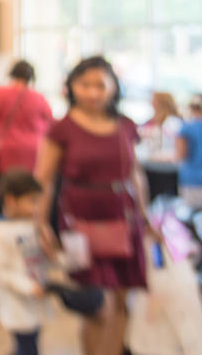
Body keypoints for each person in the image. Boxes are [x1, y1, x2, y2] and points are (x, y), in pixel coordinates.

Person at [35, 56, 156, 355]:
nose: (92, 92)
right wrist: (39, 224)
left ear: (114, 87)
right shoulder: (62, 128)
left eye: (100, 85)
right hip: (80, 224)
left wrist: (146, 214)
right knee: (96, 307)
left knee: (122, 301)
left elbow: (135, 173)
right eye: (84, 84)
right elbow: (44, 181)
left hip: (125, 219)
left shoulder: (125, 126)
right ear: (72, 87)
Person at [0, 169, 51, 355]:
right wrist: (28, 286)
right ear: (11, 200)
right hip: (17, 305)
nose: (37, 207)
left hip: (33, 302)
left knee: (28, 343)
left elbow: (35, 257)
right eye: (32, 201)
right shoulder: (0, 233)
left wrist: (49, 248)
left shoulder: (30, 225)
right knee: (28, 347)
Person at [0, 60, 53, 176]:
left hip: (5, 153)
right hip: (33, 154)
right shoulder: (39, 97)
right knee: (28, 191)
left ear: (11, 75)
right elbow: (50, 123)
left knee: (3, 190)